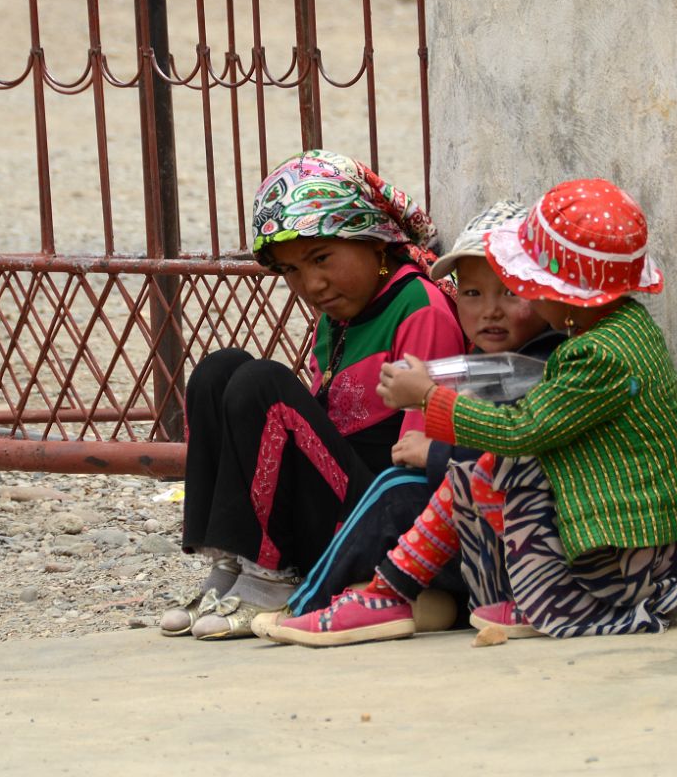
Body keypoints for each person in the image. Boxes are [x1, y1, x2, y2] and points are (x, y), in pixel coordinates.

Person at [374, 178, 677, 638]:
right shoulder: (621, 326)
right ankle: (491, 600)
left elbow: (522, 430)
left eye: (523, 285)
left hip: (627, 545)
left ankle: (552, 604)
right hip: (624, 531)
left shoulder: (598, 354)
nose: (520, 293)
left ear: (562, 295)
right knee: (475, 473)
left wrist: (428, 397)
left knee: (513, 467)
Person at [160, 150, 466, 640]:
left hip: (388, 522)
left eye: (321, 259)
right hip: (341, 504)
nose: (312, 284)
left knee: (264, 384)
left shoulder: (419, 309)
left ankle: (272, 577)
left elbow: (416, 472)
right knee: (220, 371)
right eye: (291, 271)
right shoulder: (339, 316)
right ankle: (231, 561)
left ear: (374, 242)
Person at [257, 200, 566, 646]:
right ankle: (396, 598)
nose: (489, 311)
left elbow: (520, 446)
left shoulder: (540, 363)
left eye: (511, 293)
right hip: (490, 550)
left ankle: (306, 606)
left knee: (396, 489)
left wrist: (435, 450)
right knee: (403, 490)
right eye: (473, 294)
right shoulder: (483, 360)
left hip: (530, 548)